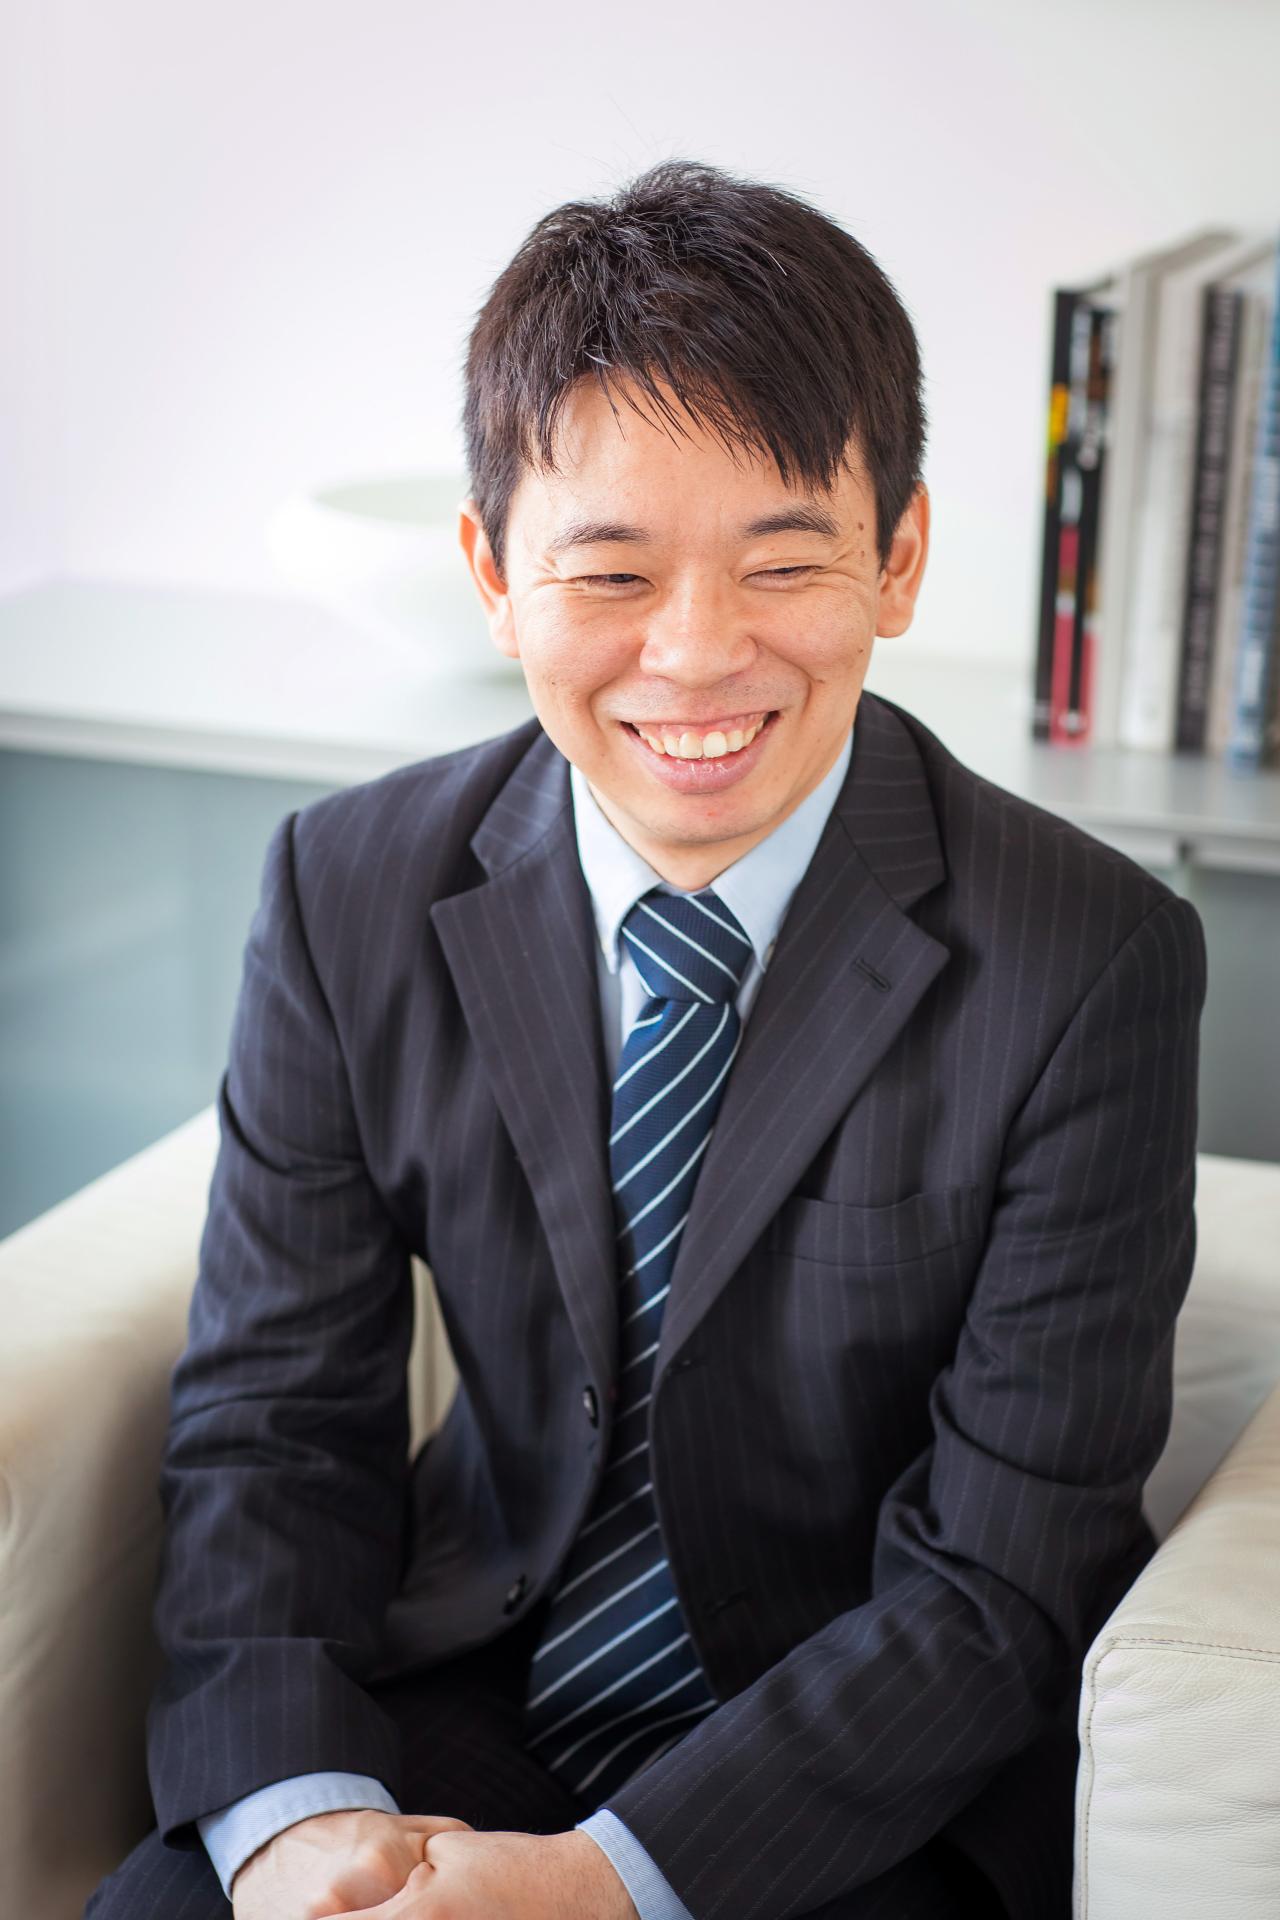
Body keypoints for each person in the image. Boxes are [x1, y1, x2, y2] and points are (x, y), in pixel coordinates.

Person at [85, 159, 1205, 1920]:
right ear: (492, 572)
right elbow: (273, 1425)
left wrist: (602, 1886)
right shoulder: (346, 890)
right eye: (610, 571)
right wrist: (300, 1819)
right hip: (469, 1694)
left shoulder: (1089, 958)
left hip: (862, 1778)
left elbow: (1004, 1577)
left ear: (900, 557)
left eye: (785, 561)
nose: (695, 657)